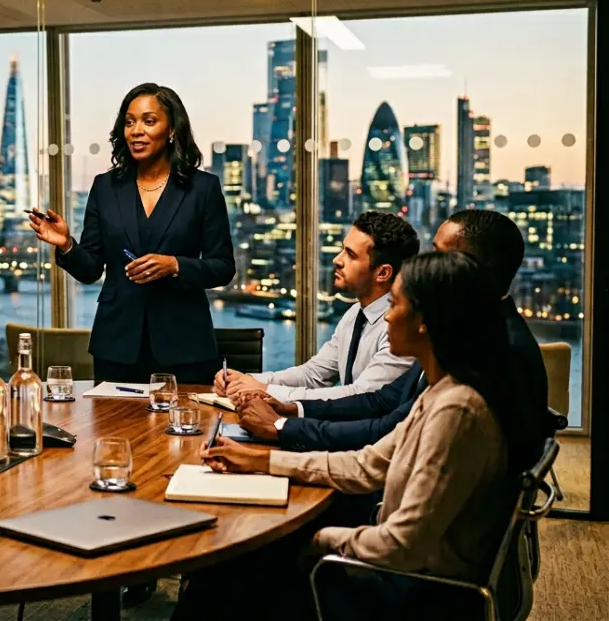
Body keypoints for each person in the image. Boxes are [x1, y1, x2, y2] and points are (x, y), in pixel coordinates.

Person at [197, 251, 545, 620]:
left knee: (230, 572)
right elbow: (367, 464)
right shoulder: (443, 390)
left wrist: (322, 540)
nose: (388, 316)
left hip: (415, 594)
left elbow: (402, 546)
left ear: (424, 321)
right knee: (236, 567)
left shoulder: (456, 411)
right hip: (405, 573)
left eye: (395, 304)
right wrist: (259, 460)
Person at [234, 210, 549, 452]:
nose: (423, 263)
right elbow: (383, 401)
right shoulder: (474, 328)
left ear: (468, 268)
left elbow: (388, 431)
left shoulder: (489, 350)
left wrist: (282, 426)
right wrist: (289, 408)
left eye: (438, 254)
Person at [29, 82, 235, 383]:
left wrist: (176, 265)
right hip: (116, 346)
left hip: (185, 345)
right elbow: (90, 270)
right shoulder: (105, 187)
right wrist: (66, 245)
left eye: (149, 121)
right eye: (129, 122)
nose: (136, 130)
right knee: (113, 431)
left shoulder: (202, 189)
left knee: (185, 429)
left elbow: (223, 267)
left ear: (172, 130)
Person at [218, 212, 419, 401]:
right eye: (342, 249)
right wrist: (247, 381)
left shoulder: (401, 326)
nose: (337, 260)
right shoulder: (355, 314)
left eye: (350, 254)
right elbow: (314, 374)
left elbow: (361, 397)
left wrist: (266, 391)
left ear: (382, 273)